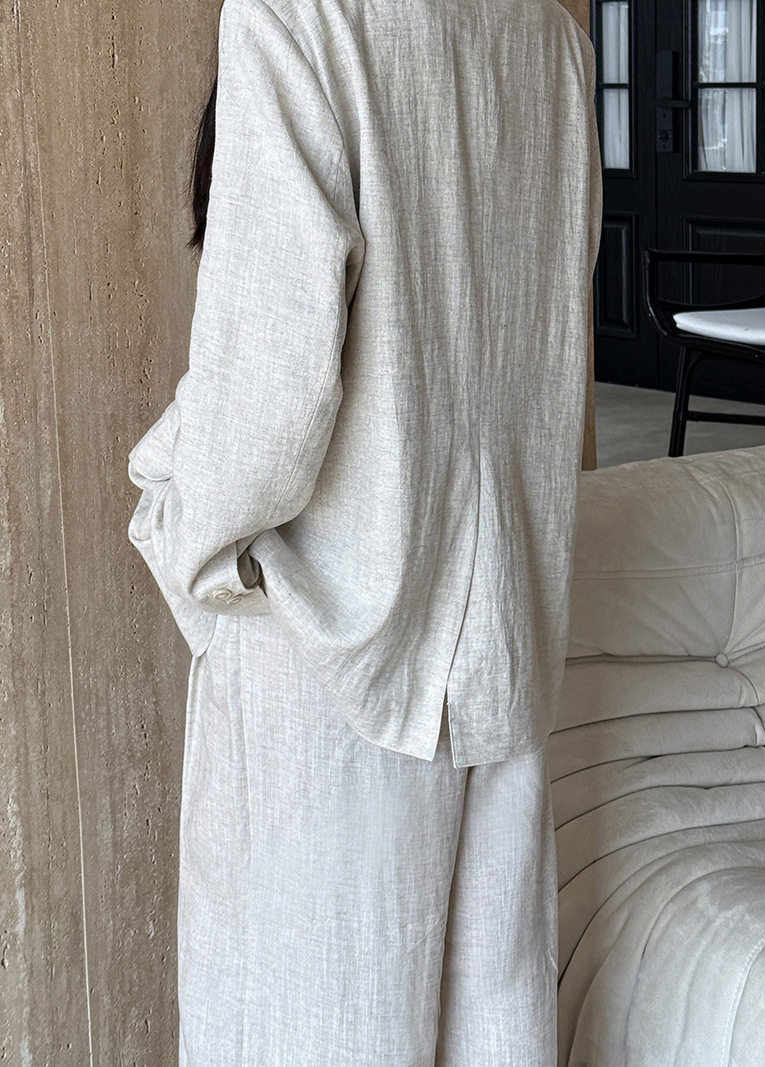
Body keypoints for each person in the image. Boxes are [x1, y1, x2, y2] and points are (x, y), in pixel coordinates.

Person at [127, 0, 602, 1062]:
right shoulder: (554, 42)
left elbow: (266, 390)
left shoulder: (297, 16)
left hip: (325, 652)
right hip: (504, 640)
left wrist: (184, 537)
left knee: (303, 1028)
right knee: (493, 1022)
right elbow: (550, 321)